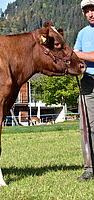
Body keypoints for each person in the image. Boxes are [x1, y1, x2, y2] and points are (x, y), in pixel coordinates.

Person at [74, 0, 94, 181]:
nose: (90, 14)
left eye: (93, 9)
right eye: (87, 11)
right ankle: (89, 168)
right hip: (87, 82)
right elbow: (74, 61)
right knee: (86, 127)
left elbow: (77, 55)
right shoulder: (82, 33)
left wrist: (77, 55)